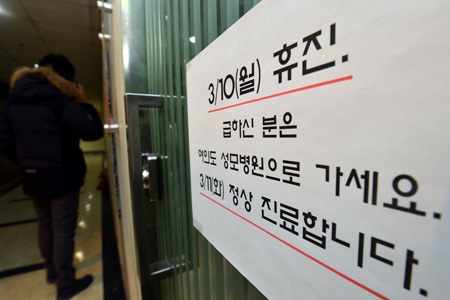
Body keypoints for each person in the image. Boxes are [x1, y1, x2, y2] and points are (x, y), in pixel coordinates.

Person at [0, 54, 104, 300]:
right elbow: (92, 130)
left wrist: (27, 163)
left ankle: (51, 273)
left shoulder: (12, 101)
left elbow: (4, 139)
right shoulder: (59, 100)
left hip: (32, 177)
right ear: (64, 77)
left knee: (45, 224)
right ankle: (66, 283)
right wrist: (82, 101)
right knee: (63, 230)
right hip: (61, 176)